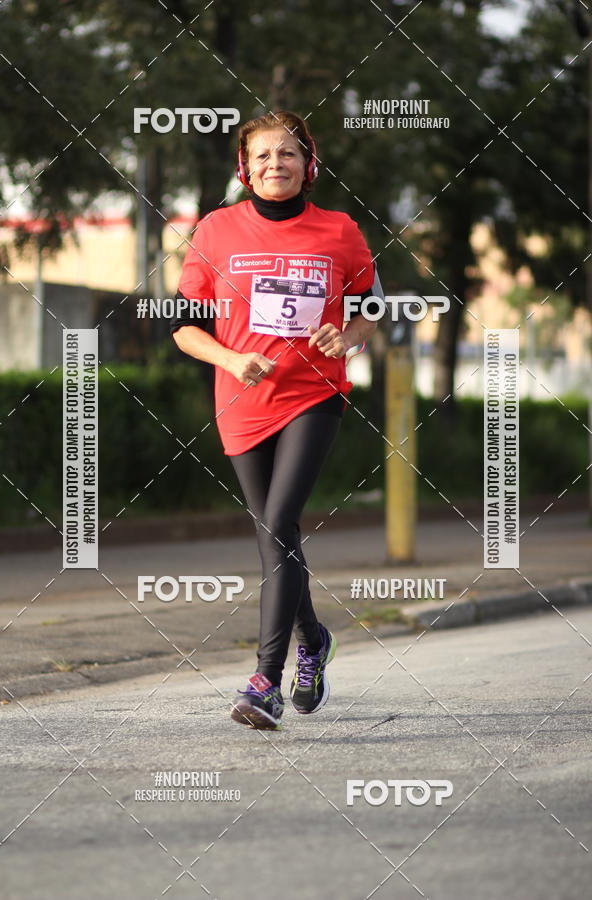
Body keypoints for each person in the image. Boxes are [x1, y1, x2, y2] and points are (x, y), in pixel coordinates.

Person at [171, 110, 378, 730]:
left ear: (308, 164)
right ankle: (312, 640)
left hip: (314, 392)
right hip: (242, 401)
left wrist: (351, 338)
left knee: (281, 519)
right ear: (244, 167)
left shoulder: (340, 231)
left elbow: (369, 311)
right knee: (274, 537)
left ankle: (265, 681)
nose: (274, 165)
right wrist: (233, 359)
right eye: (262, 156)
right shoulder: (214, 231)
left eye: (287, 154)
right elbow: (184, 329)